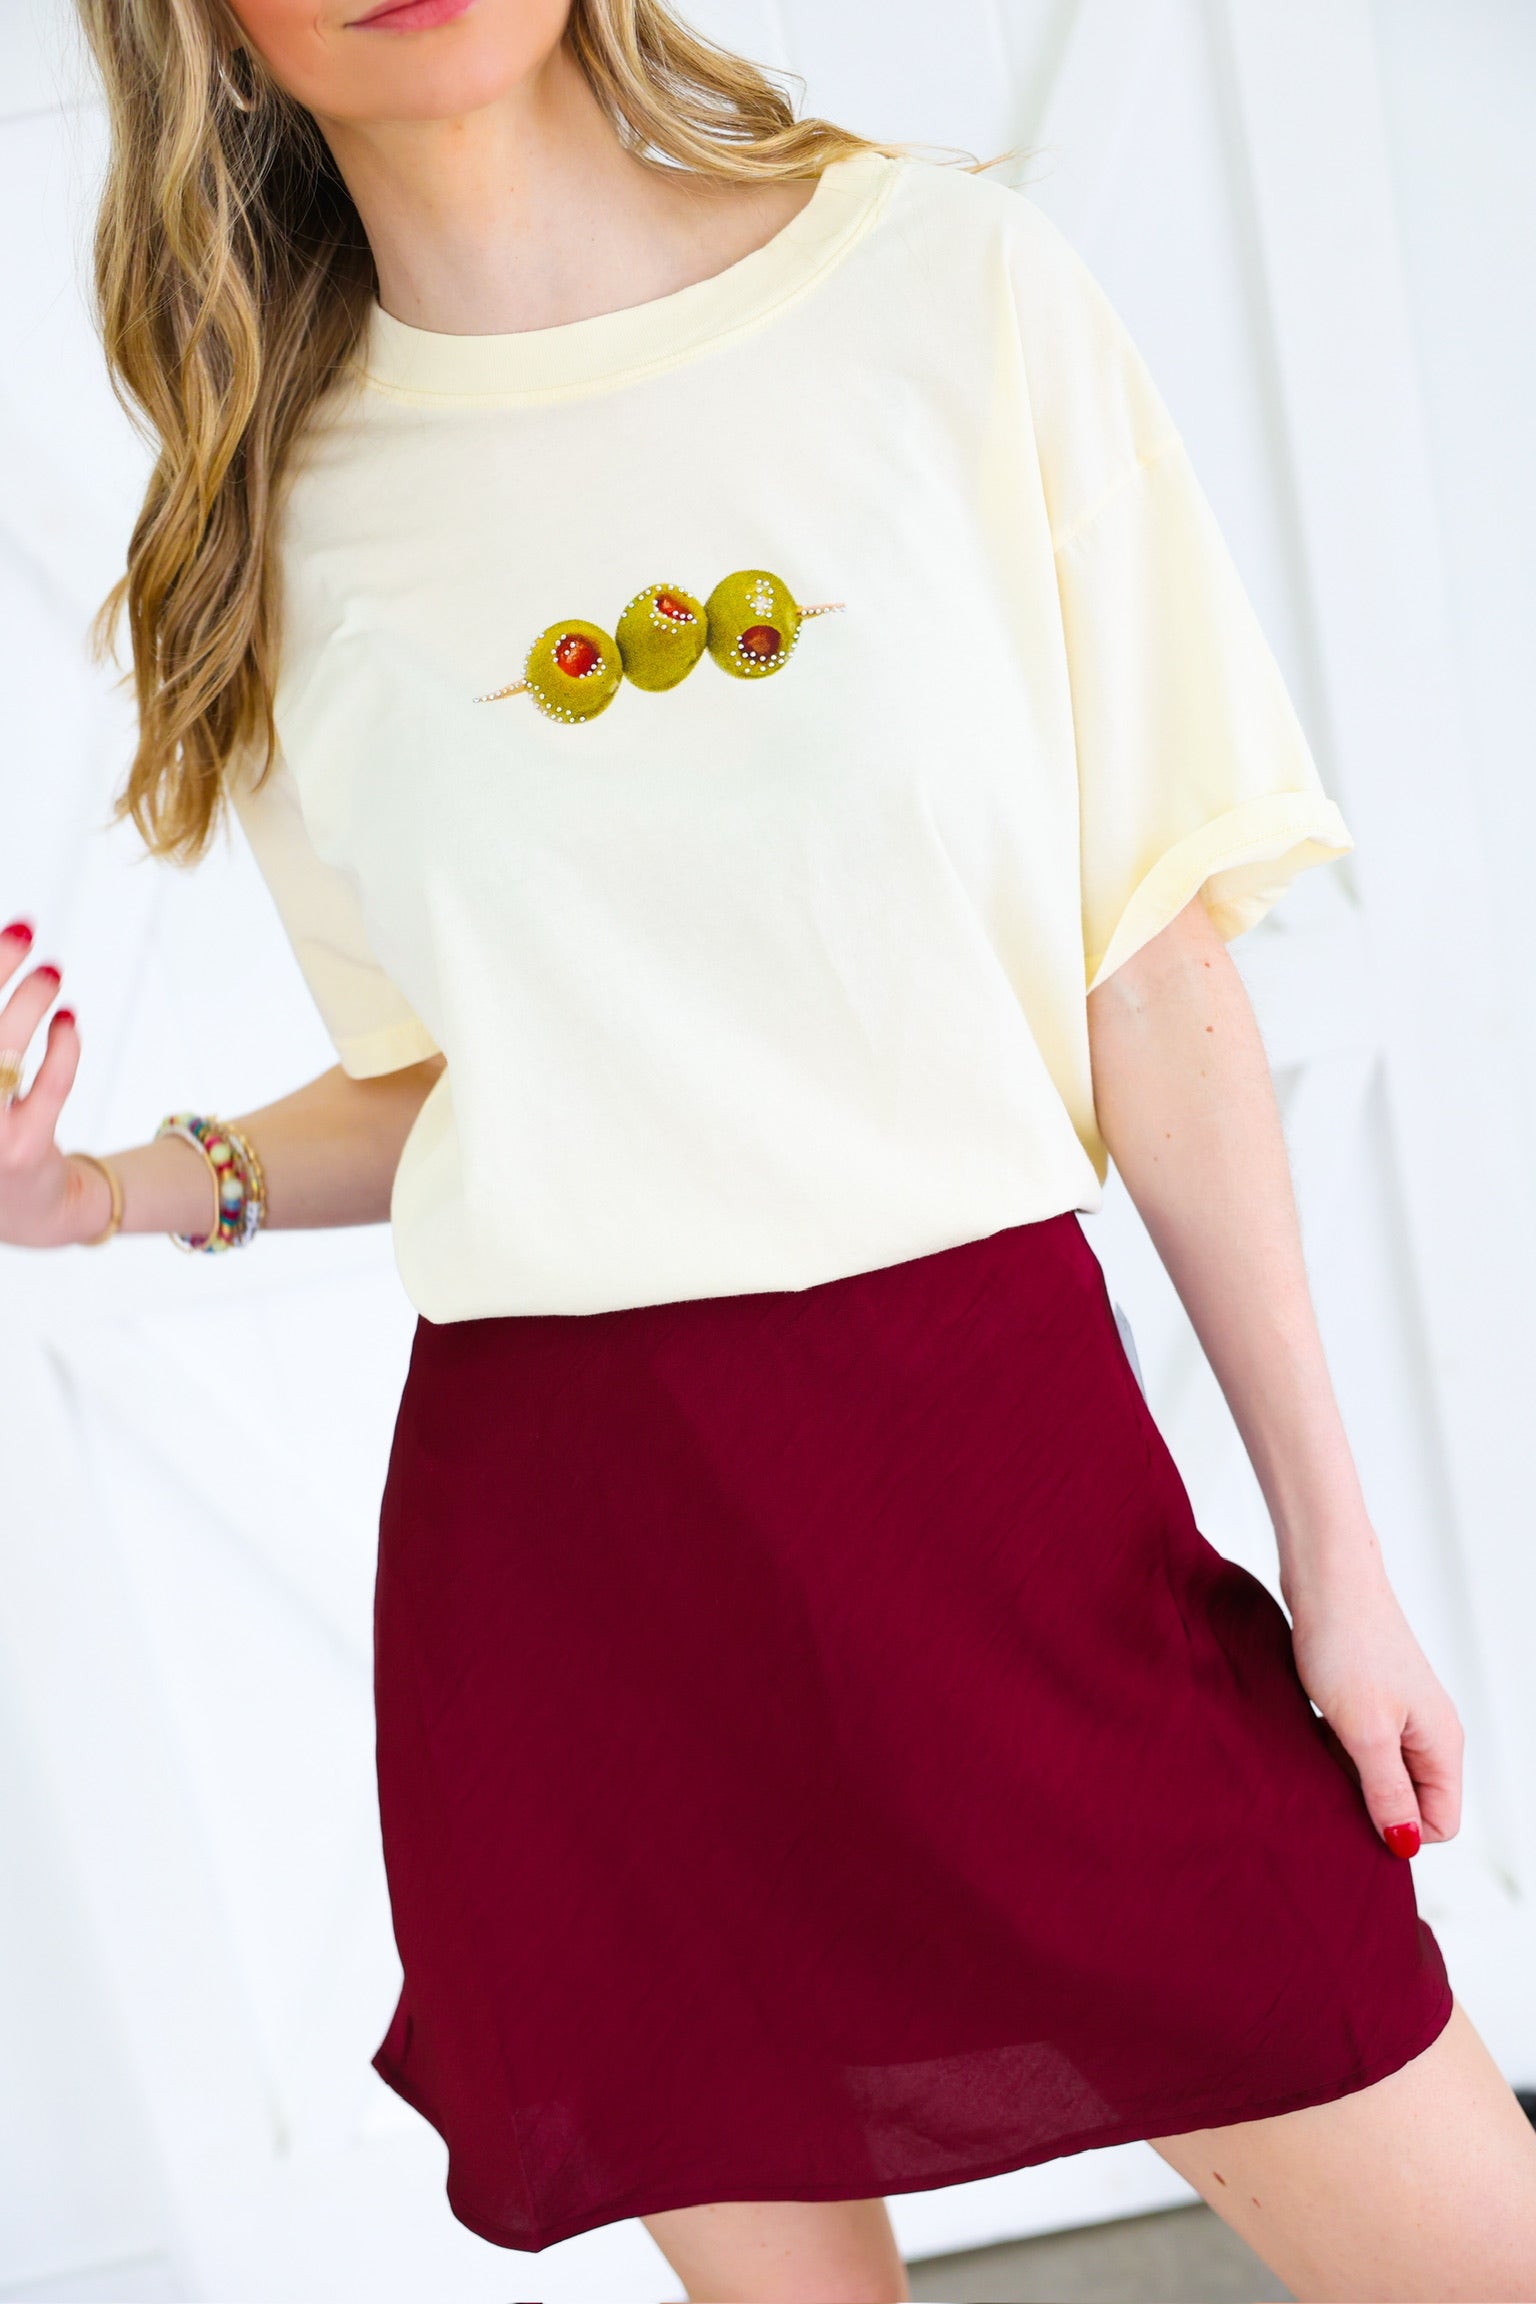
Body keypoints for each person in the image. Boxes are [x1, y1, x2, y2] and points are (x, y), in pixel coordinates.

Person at [3, 0, 1534, 2296]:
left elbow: (1148, 964)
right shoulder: (285, 510)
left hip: (998, 1479)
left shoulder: (946, 290)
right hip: (589, 1571)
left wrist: (1339, 1557)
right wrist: (103, 1190)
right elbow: (468, 1084)